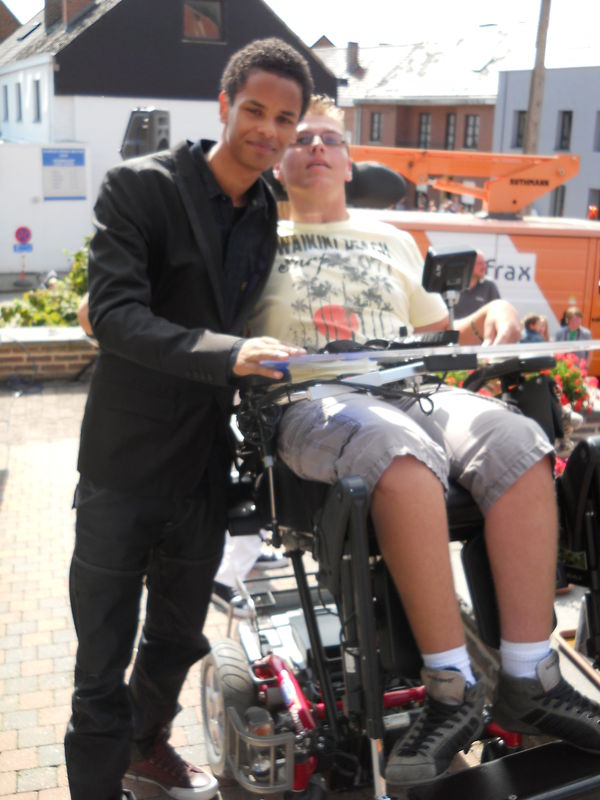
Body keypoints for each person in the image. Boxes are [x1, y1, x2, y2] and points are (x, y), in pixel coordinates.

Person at [246, 95, 600, 789]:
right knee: (397, 451)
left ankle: (530, 676)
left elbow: (442, 331)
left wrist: (494, 309)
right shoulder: (254, 241)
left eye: (329, 139)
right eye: (299, 137)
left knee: (521, 442)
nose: (315, 147)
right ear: (275, 160)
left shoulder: (393, 239)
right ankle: (451, 687)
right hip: (311, 399)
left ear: (350, 162)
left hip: (410, 387)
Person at [65, 38, 314, 800]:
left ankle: (145, 747)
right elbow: (112, 314)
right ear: (224, 104)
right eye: (255, 110)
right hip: (123, 464)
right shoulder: (139, 187)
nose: (268, 130)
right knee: (100, 658)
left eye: (285, 119)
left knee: (176, 638)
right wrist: (230, 354)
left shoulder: (268, 208)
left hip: (203, 468)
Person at [454, 249, 500, 319]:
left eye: (485, 263)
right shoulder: (452, 285)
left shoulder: (489, 286)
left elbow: (497, 312)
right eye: (480, 263)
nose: (484, 267)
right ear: (468, 265)